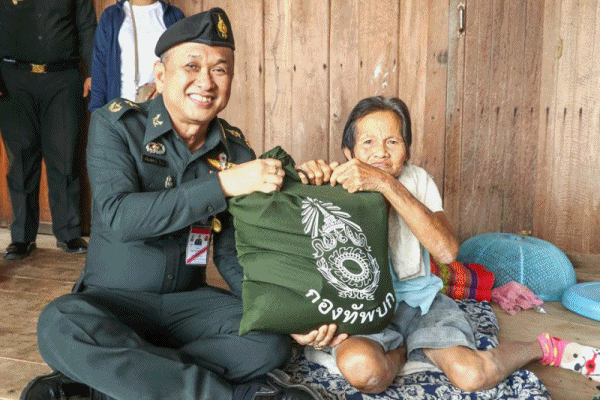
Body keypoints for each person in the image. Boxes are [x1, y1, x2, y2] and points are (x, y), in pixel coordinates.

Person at [21, 9, 323, 400]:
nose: (206, 82)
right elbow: (120, 217)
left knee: (270, 342)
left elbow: (233, 254)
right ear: (161, 76)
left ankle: (103, 384)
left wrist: (280, 311)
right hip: (114, 300)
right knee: (59, 323)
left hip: (189, 303)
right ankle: (228, 395)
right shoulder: (117, 126)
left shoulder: (235, 151)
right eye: (192, 66)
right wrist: (222, 185)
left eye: (220, 70)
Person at [294, 96, 600, 393]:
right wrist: (306, 177)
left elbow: (446, 252)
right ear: (349, 152)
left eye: (393, 141)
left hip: (419, 304)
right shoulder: (332, 186)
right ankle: (404, 350)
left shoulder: (416, 180)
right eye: (368, 142)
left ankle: (543, 347)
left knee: (473, 374)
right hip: (363, 311)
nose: (381, 152)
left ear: (407, 150)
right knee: (364, 370)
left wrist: (386, 184)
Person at [0, 0, 95, 260]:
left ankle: (68, 233)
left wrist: (92, 72)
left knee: (64, 158)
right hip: (13, 80)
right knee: (21, 160)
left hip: (63, 79)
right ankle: (21, 237)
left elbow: (86, 26)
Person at [88, 0, 185, 112]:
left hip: (162, 110)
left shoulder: (174, 16)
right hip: (119, 111)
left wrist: (163, 85)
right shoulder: (111, 16)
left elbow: (182, 64)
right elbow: (99, 69)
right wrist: (96, 112)